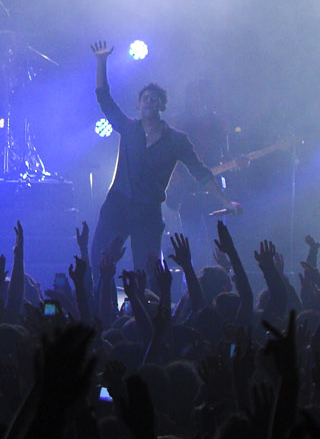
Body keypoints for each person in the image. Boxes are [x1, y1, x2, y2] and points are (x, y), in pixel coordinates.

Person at [88, 38, 235, 278]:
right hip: (118, 205)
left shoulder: (176, 140)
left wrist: (226, 202)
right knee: (99, 261)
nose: (149, 100)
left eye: (154, 98)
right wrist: (101, 61)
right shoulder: (129, 128)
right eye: (145, 97)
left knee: (148, 273)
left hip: (148, 212)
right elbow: (104, 99)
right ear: (138, 105)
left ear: (161, 106)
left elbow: (200, 172)